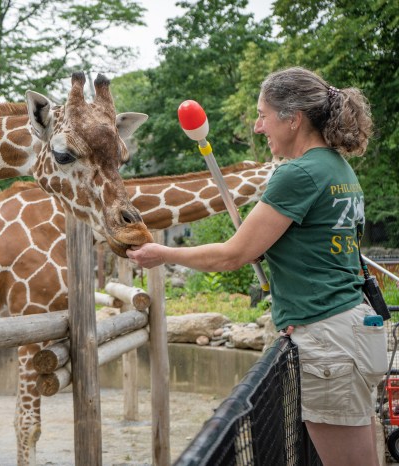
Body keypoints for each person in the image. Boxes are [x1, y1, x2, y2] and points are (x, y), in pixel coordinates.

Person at [127, 66, 383, 466]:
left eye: (263, 115)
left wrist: (164, 255)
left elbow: (233, 255)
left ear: (292, 119)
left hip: (328, 339)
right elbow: (318, 244)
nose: (259, 126)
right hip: (353, 330)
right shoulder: (336, 167)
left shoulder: (298, 174)